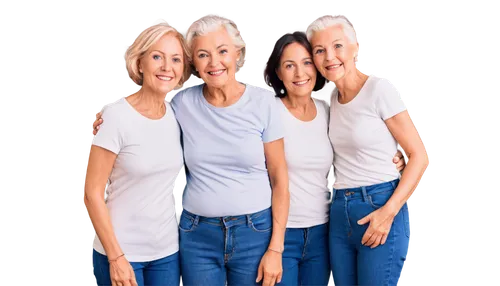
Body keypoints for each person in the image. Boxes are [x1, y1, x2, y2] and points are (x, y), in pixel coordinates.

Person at [262, 28, 407, 286]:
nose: (300, 73)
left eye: (307, 62)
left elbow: (362, 132)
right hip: (282, 231)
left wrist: (398, 150)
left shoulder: (326, 104)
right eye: (289, 65)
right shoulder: (266, 110)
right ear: (277, 71)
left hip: (324, 227)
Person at [305, 13, 431, 286]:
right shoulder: (327, 98)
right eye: (319, 50)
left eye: (337, 46)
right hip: (338, 211)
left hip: (380, 202)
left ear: (355, 48)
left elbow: (419, 156)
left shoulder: (378, 89)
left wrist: (388, 214)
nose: (329, 57)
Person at [170, 12, 289, 286]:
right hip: (196, 233)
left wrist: (276, 248)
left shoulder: (263, 102)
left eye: (222, 51)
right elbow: (146, 115)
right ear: (193, 62)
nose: (214, 63)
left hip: (255, 232)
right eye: (203, 55)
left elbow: (280, 178)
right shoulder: (181, 103)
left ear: (238, 53)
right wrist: (103, 121)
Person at [82, 19, 191, 286]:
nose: (167, 67)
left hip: (167, 253)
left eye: (176, 59)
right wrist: (116, 258)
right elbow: (92, 192)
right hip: (119, 253)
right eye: (157, 57)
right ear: (140, 63)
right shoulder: (116, 116)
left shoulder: (178, 113)